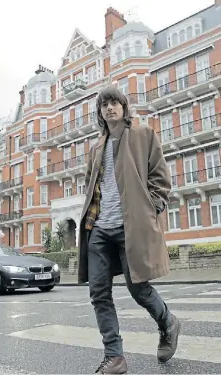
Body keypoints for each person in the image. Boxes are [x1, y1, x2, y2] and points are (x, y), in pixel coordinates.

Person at [77, 85, 180, 374]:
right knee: (98, 292)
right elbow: (91, 186)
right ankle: (115, 357)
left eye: (115, 103)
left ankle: (168, 322)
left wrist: (154, 206)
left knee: (139, 289)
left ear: (124, 107)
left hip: (129, 225)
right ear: (99, 112)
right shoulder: (97, 147)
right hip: (99, 227)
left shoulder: (143, 135)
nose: (110, 108)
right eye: (104, 104)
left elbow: (160, 176)